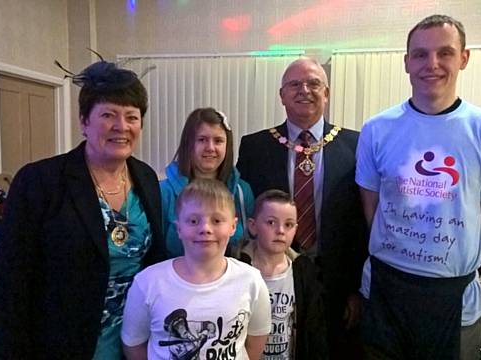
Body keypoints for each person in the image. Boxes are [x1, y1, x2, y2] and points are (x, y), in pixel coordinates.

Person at [356, 14, 481, 359]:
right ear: (406, 62)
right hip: (383, 291)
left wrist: (460, 257)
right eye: (420, 54)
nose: (431, 64)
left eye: (444, 53)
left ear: (464, 58)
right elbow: (372, 206)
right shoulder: (377, 129)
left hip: (453, 299)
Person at [0, 60, 166, 359]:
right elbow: (11, 282)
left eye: (131, 117)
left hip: (136, 343)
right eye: (108, 114)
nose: (121, 127)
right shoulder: (40, 182)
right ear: (84, 121)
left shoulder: (147, 178)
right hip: (65, 344)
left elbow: (153, 264)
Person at [237, 57, 368, 357]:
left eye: (313, 84)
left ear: (327, 93)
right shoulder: (255, 146)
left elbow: (361, 222)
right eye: (294, 84)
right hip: (274, 278)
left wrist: (356, 288)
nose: (304, 90)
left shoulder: (356, 144)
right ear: (281, 95)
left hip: (337, 280)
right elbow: (246, 212)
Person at [121, 179, 271, 359]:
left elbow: (256, 343)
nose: (205, 228)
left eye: (216, 220)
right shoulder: (147, 283)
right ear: (179, 228)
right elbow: (134, 346)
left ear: (233, 226)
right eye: (193, 220)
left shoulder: (251, 280)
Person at [235, 189, 328, 360]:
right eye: (271, 222)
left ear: (295, 230)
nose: (280, 231)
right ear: (253, 226)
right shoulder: (237, 270)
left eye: (288, 224)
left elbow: (314, 331)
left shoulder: (303, 272)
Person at [160, 107, 254, 257]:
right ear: (188, 144)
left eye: (218, 141)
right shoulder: (163, 192)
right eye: (202, 140)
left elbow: (251, 244)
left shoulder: (243, 191)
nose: (210, 148)